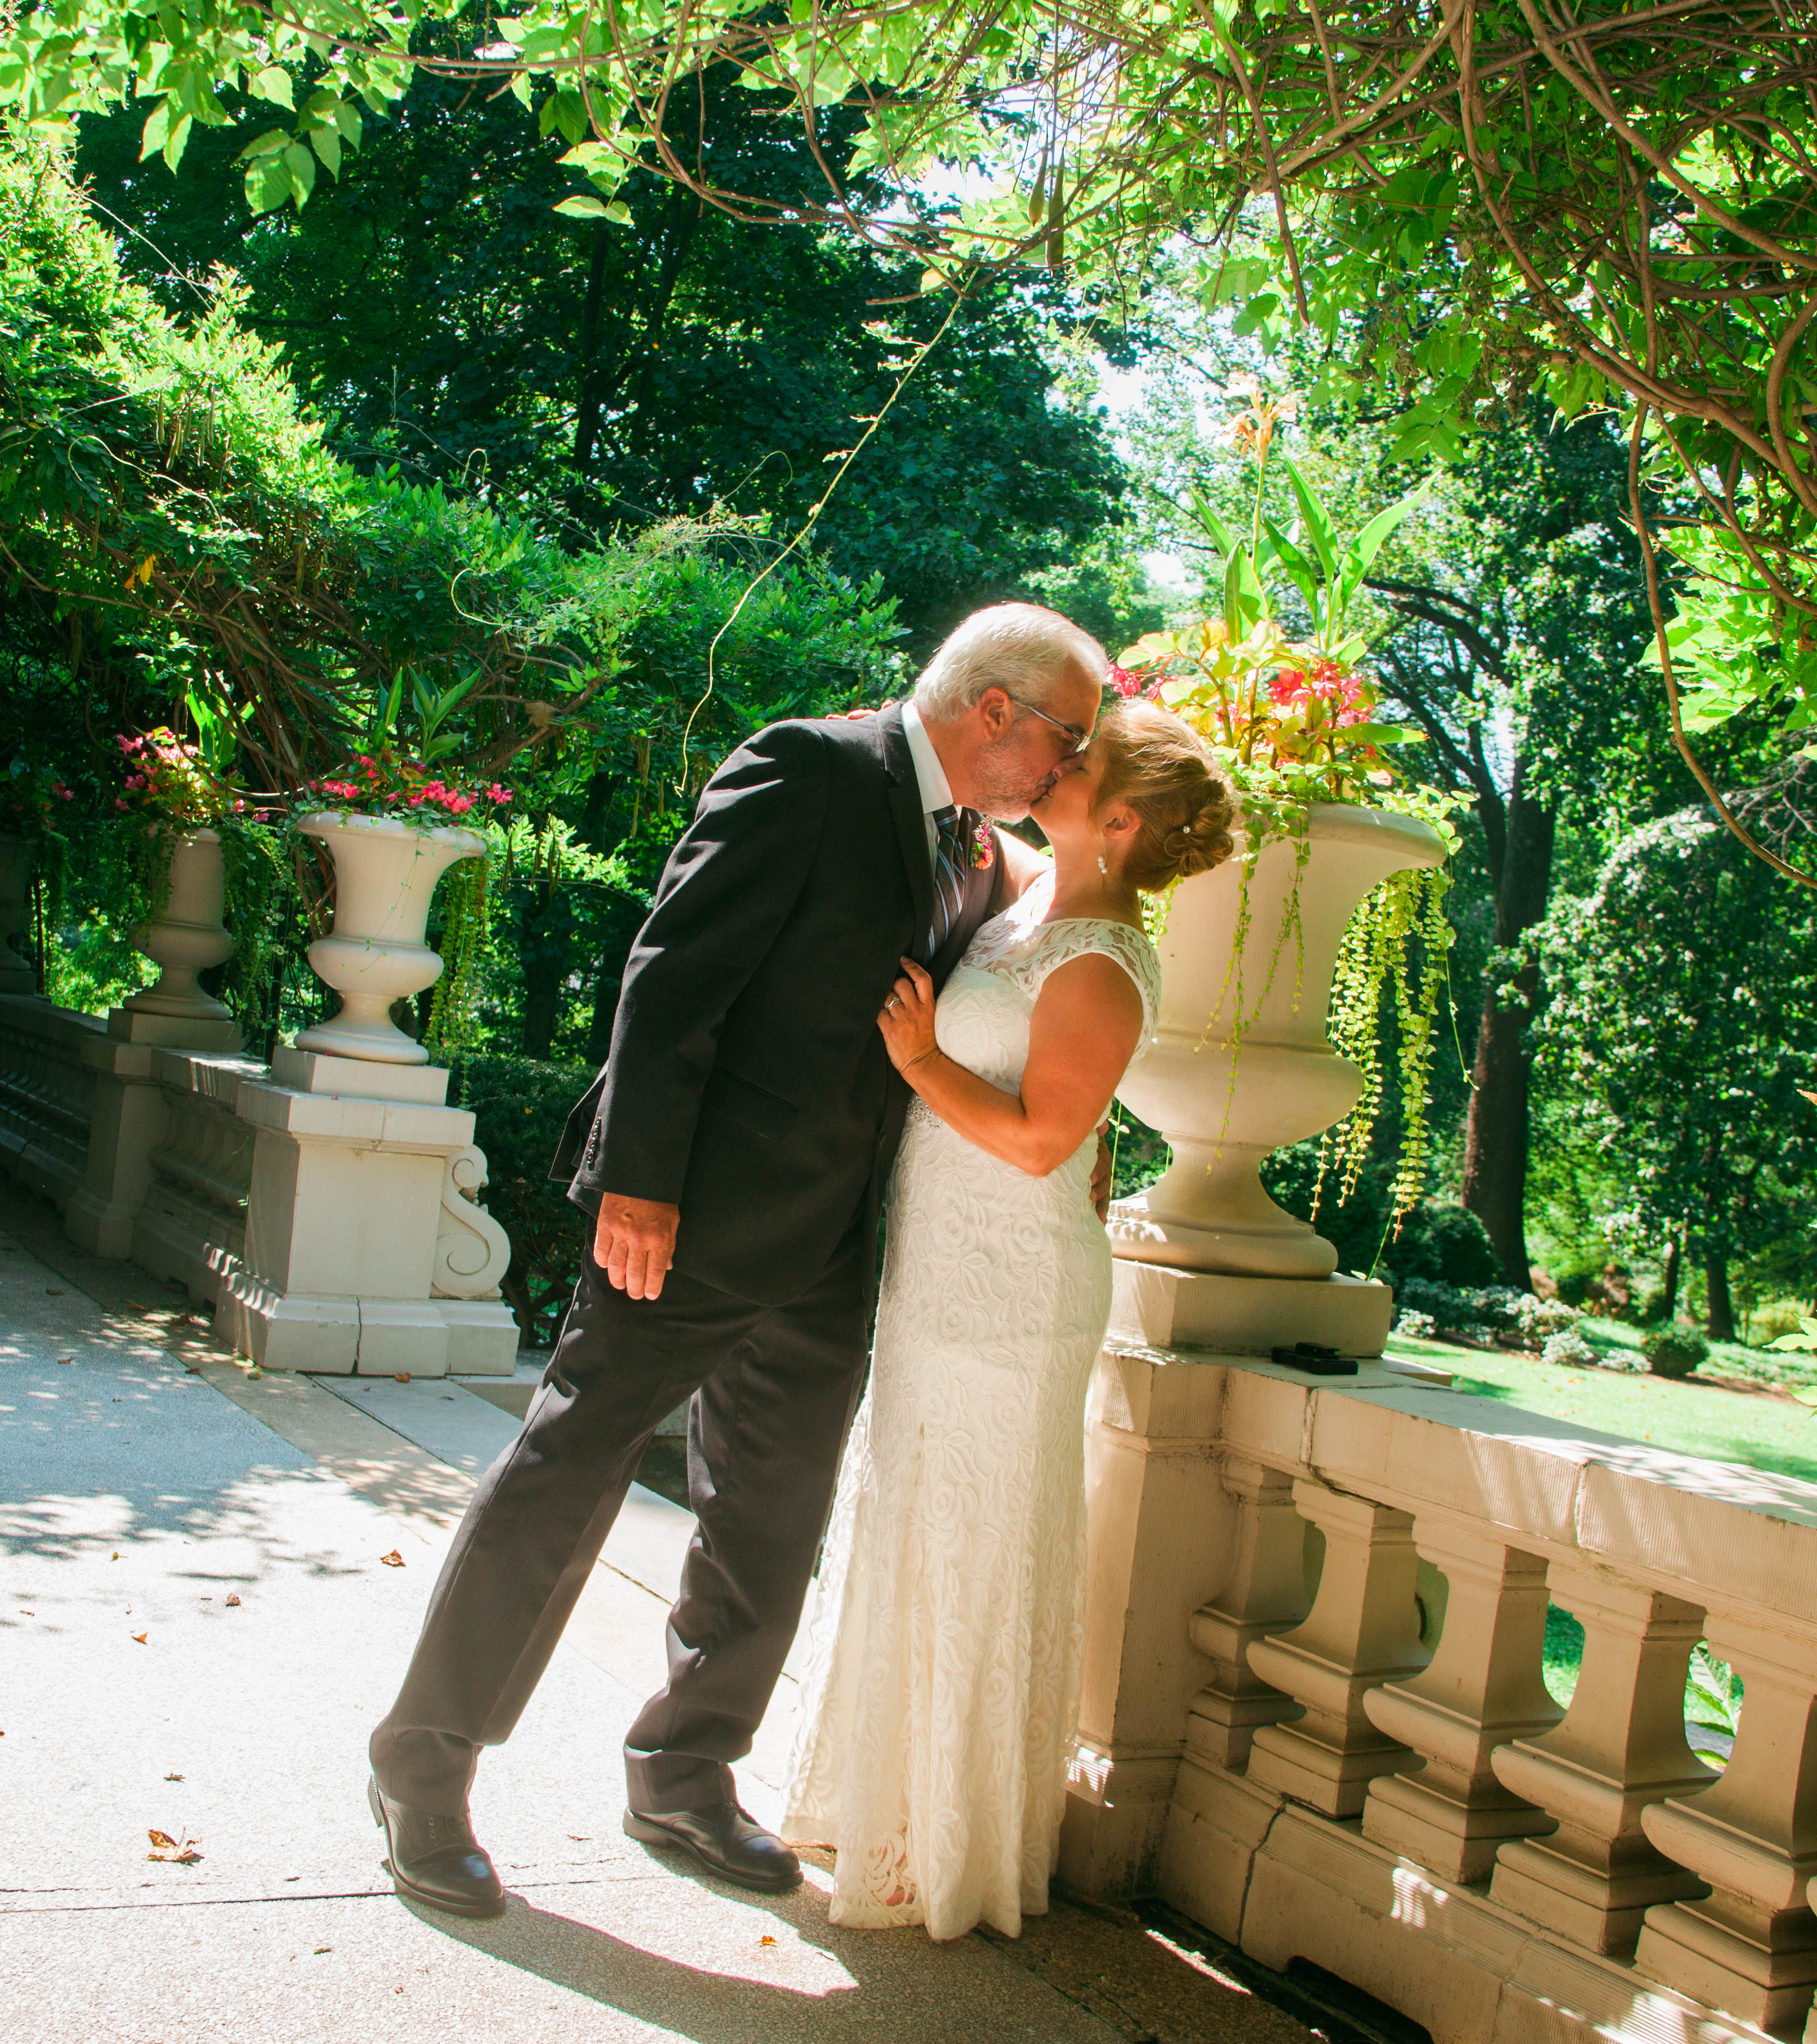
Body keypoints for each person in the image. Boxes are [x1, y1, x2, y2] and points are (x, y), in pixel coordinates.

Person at [365, 603, 1109, 1918]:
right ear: (993, 709)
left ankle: (685, 1771)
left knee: (771, 1515)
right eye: (1063, 733)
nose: (1065, 762)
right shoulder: (810, 766)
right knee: (569, 1469)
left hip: (831, 1240)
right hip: (690, 1212)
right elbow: (674, 971)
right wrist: (640, 1180)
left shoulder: (977, 852)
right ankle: (421, 1768)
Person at [764, 699, 1234, 1940]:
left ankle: (945, 1848)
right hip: (939, 1268)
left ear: (1121, 823)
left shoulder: (1098, 955)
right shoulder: (1035, 899)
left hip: (1010, 1292)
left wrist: (920, 1061)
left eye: (1079, 767)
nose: (1053, 767)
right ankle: (882, 1806)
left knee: (972, 1535)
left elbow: (1039, 1142)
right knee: (917, 1514)